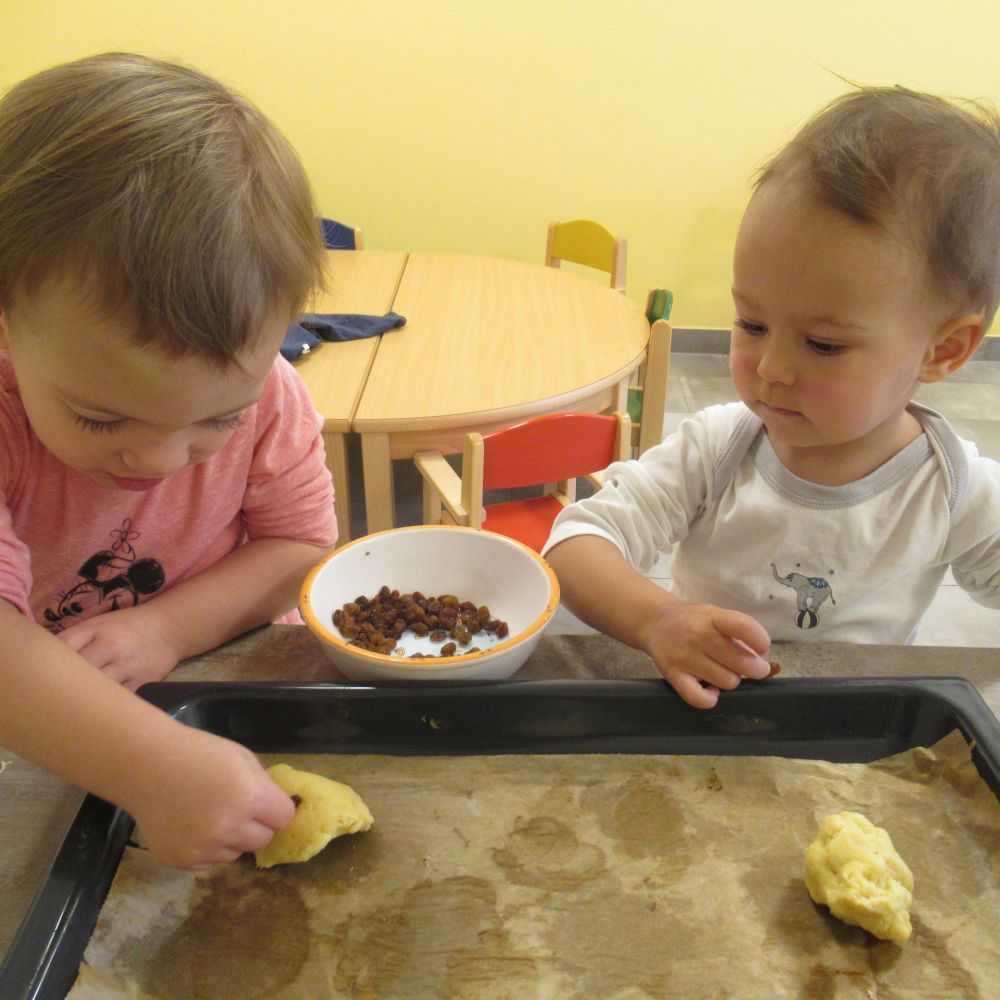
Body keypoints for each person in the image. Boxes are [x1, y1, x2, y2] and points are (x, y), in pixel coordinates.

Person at [544, 86, 1000, 710]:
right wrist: (658, 620)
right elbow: (575, 544)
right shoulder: (718, 449)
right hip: (701, 704)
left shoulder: (955, 490)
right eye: (751, 324)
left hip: (854, 724)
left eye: (823, 344)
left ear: (942, 350)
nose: (772, 369)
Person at [0, 53, 338, 869]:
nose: (158, 459)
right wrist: (150, 767)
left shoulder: (273, 393)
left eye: (220, 418)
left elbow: (299, 545)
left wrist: (164, 628)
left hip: (231, 673)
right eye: (99, 415)